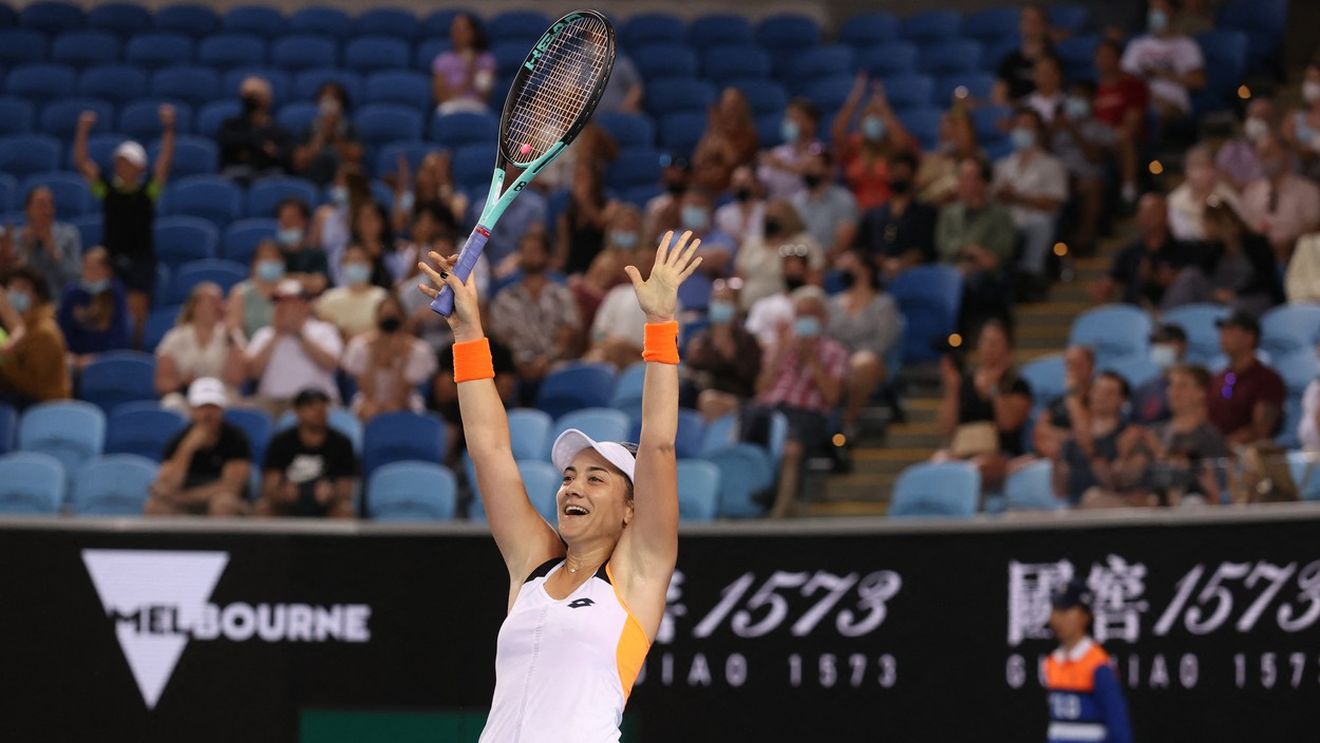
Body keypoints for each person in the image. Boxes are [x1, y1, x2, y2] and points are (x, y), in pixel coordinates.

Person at [416, 230, 693, 742]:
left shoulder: (637, 574)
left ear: (632, 508)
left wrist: (659, 324)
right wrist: (468, 334)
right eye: (568, 477)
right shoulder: (532, 567)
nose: (573, 488)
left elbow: (657, 446)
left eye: (595, 478)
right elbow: (490, 452)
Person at [73, 105, 175, 342]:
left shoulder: (148, 191)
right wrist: (82, 129)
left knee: (138, 305)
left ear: (140, 166)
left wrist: (169, 128)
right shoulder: (107, 190)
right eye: (119, 161)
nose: (122, 166)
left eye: (128, 162)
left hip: (140, 258)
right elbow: (82, 163)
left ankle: (134, 346)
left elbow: (164, 164)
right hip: (112, 256)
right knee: (103, 300)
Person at [752, 286, 849, 517]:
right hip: (770, 410)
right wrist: (779, 353)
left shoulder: (835, 352)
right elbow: (760, 389)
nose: (805, 320)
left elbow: (832, 398)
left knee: (791, 448)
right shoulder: (779, 348)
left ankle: (780, 508)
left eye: (811, 315)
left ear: (823, 319)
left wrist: (812, 359)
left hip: (808, 414)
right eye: (800, 315)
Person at [1084, 364, 1228, 508]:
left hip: (1187, 510)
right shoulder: (1154, 432)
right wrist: (1124, 454)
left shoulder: (1208, 437)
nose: (1174, 392)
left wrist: (1158, 451)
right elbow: (1126, 478)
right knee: (1094, 497)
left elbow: (1214, 492)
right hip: (1146, 509)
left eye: (1182, 386)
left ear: (1201, 393)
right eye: (1171, 386)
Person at [934, 318, 1033, 489]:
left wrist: (994, 391)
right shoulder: (965, 383)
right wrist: (952, 390)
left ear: (1008, 349)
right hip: (963, 451)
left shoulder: (1017, 385)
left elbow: (1007, 423)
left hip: (1001, 455)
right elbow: (946, 428)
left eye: (995, 343)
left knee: (978, 466)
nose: (989, 348)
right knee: (938, 461)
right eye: (985, 341)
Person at [487, 231, 581, 401]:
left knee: (564, 371)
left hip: (554, 362)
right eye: (526, 251)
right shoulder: (505, 297)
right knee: (499, 379)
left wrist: (547, 359)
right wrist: (519, 362)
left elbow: (568, 333)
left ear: (546, 255)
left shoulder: (561, 294)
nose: (530, 255)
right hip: (516, 365)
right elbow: (501, 338)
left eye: (535, 250)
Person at [1044, 580, 1133, 743]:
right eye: (1056, 609)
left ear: (1085, 616)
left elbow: (1119, 727)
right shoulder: (1052, 662)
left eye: (1066, 610)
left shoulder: (1098, 665)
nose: (1057, 617)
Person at [146, 377, 250, 516]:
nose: (208, 413)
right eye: (202, 407)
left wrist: (184, 498)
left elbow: (231, 487)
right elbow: (168, 484)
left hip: (216, 500)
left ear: (222, 408)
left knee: (223, 503)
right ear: (191, 409)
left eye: (213, 406)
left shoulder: (236, 439)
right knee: (156, 507)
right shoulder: (178, 440)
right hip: (183, 502)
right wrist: (187, 448)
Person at [992, 107, 1068, 296]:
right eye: (1019, 126)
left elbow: (1054, 203)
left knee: (1041, 223)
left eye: (1028, 127)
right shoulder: (1002, 166)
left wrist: (1018, 197)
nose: (1023, 131)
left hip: (1036, 220)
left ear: (1038, 131)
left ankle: (1032, 274)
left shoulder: (1052, 164)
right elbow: (994, 198)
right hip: (1007, 220)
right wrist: (1001, 195)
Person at [1161, 199, 1283, 315]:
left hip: (1252, 297)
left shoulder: (1256, 243)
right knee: (1190, 276)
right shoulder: (1214, 248)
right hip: (1219, 296)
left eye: (1206, 222)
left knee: (1236, 309)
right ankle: (1166, 319)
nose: (1203, 226)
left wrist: (1235, 294)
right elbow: (1200, 270)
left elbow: (1265, 278)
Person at [936, 158, 1017, 324]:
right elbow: (943, 243)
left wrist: (972, 263)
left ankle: (964, 336)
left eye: (968, 177)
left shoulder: (1000, 215)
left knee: (974, 283)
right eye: (961, 177)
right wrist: (970, 249)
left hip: (984, 275)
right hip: (950, 270)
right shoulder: (949, 213)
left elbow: (999, 254)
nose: (962, 182)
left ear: (983, 183)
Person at [244, 280, 343, 416]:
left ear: (305, 306)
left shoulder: (324, 330)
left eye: (290, 304)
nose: (284, 308)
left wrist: (299, 334)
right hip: (272, 401)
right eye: (280, 304)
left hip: (315, 400)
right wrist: (276, 335)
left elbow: (331, 364)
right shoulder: (264, 334)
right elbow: (252, 372)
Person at [827, 250, 899, 438]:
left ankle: (848, 420)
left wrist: (851, 359)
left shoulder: (884, 304)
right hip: (836, 360)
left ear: (865, 270)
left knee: (863, 362)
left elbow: (883, 341)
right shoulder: (832, 303)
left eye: (851, 264)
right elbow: (826, 337)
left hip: (871, 361)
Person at [257, 388, 358, 518]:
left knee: (345, 511)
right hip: (288, 505)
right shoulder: (281, 442)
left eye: (323, 406)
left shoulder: (341, 443)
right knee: (263, 509)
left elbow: (347, 488)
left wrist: (332, 493)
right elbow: (269, 486)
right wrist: (282, 493)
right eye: (311, 406)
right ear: (297, 411)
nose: (319, 411)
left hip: (327, 507)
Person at [341, 293, 436, 420]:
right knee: (368, 410)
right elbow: (367, 391)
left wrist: (402, 358)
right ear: (377, 317)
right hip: (369, 398)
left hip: (406, 399)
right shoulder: (360, 346)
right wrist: (373, 355)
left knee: (396, 409)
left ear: (402, 318)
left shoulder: (418, 350)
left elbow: (402, 394)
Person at [1049, 79, 1117, 255]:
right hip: (1058, 175)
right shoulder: (1057, 126)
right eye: (1073, 97)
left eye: (1081, 97)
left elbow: (1096, 157)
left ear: (1091, 101)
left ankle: (1085, 237)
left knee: (1092, 186)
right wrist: (1049, 130)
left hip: (1085, 176)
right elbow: (1042, 152)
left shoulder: (1101, 128)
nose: (1075, 100)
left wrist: (1073, 130)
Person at [584, 243, 677, 370]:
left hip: (645, 361)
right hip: (608, 355)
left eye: (651, 261)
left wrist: (626, 350)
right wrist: (609, 346)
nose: (647, 264)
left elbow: (671, 347)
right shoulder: (617, 293)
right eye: (643, 259)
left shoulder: (671, 301)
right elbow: (598, 334)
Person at [156, 282, 245, 413]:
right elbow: (162, 382)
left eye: (221, 301)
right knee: (171, 404)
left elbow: (236, 379)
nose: (219, 306)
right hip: (187, 396)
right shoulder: (175, 337)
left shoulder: (232, 335)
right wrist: (183, 381)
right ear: (196, 307)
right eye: (213, 302)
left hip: (222, 396)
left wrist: (230, 337)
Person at [1052, 371, 1135, 506]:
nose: (1101, 397)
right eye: (1097, 390)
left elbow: (1116, 484)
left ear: (1122, 399)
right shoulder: (1074, 437)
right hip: (1074, 511)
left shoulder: (1129, 435)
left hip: (1112, 509)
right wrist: (1055, 458)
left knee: (1093, 498)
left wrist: (1092, 452)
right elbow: (1059, 491)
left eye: (1109, 393)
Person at [684, 278, 762, 422]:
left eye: (725, 301)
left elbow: (753, 379)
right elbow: (693, 371)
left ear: (736, 305)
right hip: (703, 395)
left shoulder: (748, 341)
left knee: (709, 401)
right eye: (716, 300)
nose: (720, 305)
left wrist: (726, 346)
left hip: (738, 400)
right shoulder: (701, 340)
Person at [1091, 192, 1186, 308]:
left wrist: (1156, 278)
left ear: (1165, 215)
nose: (1147, 217)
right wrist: (1103, 288)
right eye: (1144, 212)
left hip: (1169, 312)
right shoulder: (1129, 252)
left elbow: (1187, 282)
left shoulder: (1182, 249)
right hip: (1133, 314)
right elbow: (1111, 279)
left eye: (1153, 212)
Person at [832, 75, 912, 211]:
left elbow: (904, 145)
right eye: (868, 117)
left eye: (877, 116)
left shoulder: (891, 148)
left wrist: (884, 109)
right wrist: (855, 98)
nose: (872, 120)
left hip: (887, 211)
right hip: (858, 212)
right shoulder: (854, 145)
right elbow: (837, 132)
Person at [1120, 0, 1205, 126]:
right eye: (1151, 9)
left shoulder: (1186, 45)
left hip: (1171, 103)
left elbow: (1199, 82)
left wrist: (1160, 73)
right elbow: (1123, 76)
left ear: (1171, 12)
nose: (1154, 14)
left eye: (1159, 10)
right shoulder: (1137, 44)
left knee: (1156, 111)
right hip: (1141, 99)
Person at [1240, 132, 1320, 264]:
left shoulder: (1308, 192)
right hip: (1258, 263)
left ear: (1285, 154)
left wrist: (1290, 245)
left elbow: (1314, 229)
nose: (1263, 157)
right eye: (1260, 154)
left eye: (1269, 152)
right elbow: (1244, 228)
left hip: (1298, 260)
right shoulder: (1251, 192)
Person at [854, 152, 937, 277]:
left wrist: (902, 263)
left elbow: (926, 249)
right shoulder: (873, 214)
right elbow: (862, 248)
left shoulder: (926, 213)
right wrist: (881, 262)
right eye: (895, 172)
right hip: (876, 275)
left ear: (913, 176)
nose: (898, 177)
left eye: (903, 173)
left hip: (914, 274)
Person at [1208, 310, 1285, 445]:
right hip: (1213, 454)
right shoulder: (1219, 378)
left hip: (1245, 457)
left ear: (1249, 337)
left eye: (1231, 331)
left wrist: (1223, 446)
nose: (1223, 337)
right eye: (1223, 332)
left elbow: (1261, 430)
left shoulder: (1267, 380)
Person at [734, 200, 824, 311]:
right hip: (749, 306)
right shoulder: (752, 244)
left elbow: (814, 281)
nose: (771, 219)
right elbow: (738, 279)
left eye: (776, 215)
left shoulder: (804, 242)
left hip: (787, 307)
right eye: (768, 215)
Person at [0, 266, 69, 408]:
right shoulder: (12, 328)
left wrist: (5, 361)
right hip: (22, 401)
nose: (14, 293)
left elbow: (38, 387)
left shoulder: (45, 333)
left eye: (22, 288)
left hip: (48, 407)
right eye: (11, 287)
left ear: (36, 295)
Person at [1092, 39, 1148, 205]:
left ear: (1119, 59)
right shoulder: (1091, 90)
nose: (1103, 60)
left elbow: (1133, 122)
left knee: (1124, 137)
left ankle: (1128, 188)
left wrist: (1113, 133)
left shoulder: (1132, 86)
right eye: (1099, 56)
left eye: (1107, 56)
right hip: (1095, 135)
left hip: (1120, 136)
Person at [56, 246, 131, 370]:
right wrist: (75, 357)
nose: (90, 272)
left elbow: (120, 335)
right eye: (87, 267)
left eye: (96, 268)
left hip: (107, 358)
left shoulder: (115, 292)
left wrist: (97, 358)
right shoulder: (72, 293)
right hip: (75, 358)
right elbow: (63, 332)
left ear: (107, 271)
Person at [1, 186, 81, 299]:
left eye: (51, 204)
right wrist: (25, 250)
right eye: (41, 205)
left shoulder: (69, 235)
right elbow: (11, 280)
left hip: (58, 301)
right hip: (24, 304)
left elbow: (74, 279)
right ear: (28, 209)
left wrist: (53, 251)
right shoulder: (17, 238)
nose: (47, 210)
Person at [670, 187, 736, 313]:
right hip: (675, 313)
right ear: (681, 208)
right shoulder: (670, 237)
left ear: (710, 211)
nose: (694, 209)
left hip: (710, 313)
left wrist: (685, 258)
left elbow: (720, 258)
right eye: (691, 205)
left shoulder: (723, 238)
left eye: (699, 206)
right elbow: (672, 257)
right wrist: (706, 258)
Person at [217, 76, 292, 181]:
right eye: (248, 96)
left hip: (268, 173)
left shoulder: (279, 130)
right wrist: (261, 145)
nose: (252, 102)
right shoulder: (231, 125)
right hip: (237, 172)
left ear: (268, 98)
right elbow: (228, 144)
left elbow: (284, 155)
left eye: (256, 96)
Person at [792, 149, 860, 261]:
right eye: (805, 165)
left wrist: (818, 262)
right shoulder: (795, 202)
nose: (807, 169)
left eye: (813, 165)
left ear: (828, 169)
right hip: (800, 265)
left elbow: (842, 244)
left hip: (831, 263)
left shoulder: (844, 200)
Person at [291, 82, 362, 188]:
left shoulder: (351, 128)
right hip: (313, 178)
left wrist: (335, 136)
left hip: (342, 181)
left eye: (333, 99)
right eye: (325, 100)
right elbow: (299, 162)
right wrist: (321, 136)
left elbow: (355, 159)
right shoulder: (309, 129)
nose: (328, 104)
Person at [1166, 144, 1242, 241]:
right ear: (1186, 170)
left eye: (1205, 165)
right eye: (1195, 166)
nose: (1200, 172)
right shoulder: (1175, 201)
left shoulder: (1227, 195)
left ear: (1214, 169)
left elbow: (1238, 228)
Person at [1033, 345, 1096, 461]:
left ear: (1091, 366)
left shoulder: (1098, 399)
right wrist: (1068, 437)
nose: (1072, 369)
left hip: (1082, 462)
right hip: (1051, 458)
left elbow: (1086, 435)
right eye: (1069, 364)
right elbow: (1039, 432)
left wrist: (1072, 397)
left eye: (1078, 364)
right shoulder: (1057, 400)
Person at [691, 87, 759, 193]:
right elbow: (697, 161)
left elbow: (732, 162)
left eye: (734, 103)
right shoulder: (713, 131)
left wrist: (719, 135)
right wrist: (712, 133)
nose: (729, 107)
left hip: (729, 186)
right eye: (726, 102)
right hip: (702, 184)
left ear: (742, 106)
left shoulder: (748, 134)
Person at [745, 245, 812, 350]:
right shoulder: (764, 305)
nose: (794, 273)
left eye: (798, 269)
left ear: (806, 272)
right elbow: (753, 335)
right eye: (790, 269)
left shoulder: (816, 308)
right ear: (782, 272)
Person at [316, 245, 388, 339]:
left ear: (370, 265)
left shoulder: (382, 296)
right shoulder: (329, 298)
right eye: (352, 261)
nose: (357, 264)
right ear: (343, 266)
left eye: (361, 260)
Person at [757, 98, 822, 200]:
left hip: (809, 207)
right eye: (787, 118)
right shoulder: (778, 152)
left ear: (811, 123)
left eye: (795, 118)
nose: (789, 123)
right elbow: (762, 182)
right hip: (778, 206)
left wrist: (782, 166)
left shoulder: (817, 148)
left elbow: (810, 168)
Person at [432, 12, 496, 114]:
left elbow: (484, 96)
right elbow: (440, 97)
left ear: (473, 33)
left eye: (462, 30)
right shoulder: (442, 60)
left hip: (476, 105)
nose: (458, 34)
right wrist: (462, 88)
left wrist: (472, 68)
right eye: (455, 30)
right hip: (450, 105)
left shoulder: (486, 60)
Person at [557, 160, 613, 276]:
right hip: (573, 274)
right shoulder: (566, 216)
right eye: (577, 177)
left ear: (594, 180)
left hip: (602, 269)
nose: (579, 181)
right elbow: (563, 255)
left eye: (583, 176)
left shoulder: (609, 204)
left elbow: (601, 224)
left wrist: (584, 200)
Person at [994, 4, 1054, 103]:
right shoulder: (1010, 60)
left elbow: (1051, 96)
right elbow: (998, 96)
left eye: (1035, 21)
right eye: (1026, 20)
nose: (1030, 25)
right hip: (1015, 113)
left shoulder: (1052, 60)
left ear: (1044, 25)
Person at [1130, 323, 1189, 424]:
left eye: (1167, 343)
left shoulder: (1196, 386)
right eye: (1156, 344)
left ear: (1183, 346)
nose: (1160, 348)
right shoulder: (1143, 390)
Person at [226, 241, 283, 342]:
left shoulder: (291, 290)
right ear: (254, 264)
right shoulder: (240, 293)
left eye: (274, 259)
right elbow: (234, 330)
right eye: (265, 259)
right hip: (249, 351)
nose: (271, 262)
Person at [1216, 97, 1275, 192]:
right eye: (1253, 117)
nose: (1256, 123)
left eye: (1262, 118)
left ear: (1271, 121)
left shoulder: (1278, 149)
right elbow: (1220, 172)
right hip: (1236, 195)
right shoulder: (1233, 146)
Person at [275, 197, 330, 296]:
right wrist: (304, 279)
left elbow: (318, 284)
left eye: (291, 219)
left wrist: (286, 278)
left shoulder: (317, 254)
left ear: (305, 222)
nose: (287, 224)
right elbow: (262, 282)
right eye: (283, 219)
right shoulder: (273, 253)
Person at [1282, 61, 1320, 182]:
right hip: (1299, 178)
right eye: (1307, 80)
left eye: (1314, 79)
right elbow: (1285, 147)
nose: (1309, 85)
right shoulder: (1293, 117)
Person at [714, 165, 766, 243]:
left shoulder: (766, 210)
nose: (741, 185)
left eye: (745, 181)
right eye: (737, 182)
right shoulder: (723, 214)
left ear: (755, 184)